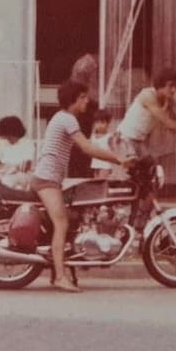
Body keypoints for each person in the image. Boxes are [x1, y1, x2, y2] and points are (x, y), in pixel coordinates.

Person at [32, 80, 135, 293]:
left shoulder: (64, 118)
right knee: (61, 223)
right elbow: (87, 148)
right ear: (74, 100)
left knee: (69, 218)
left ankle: (61, 269)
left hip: (51, 178)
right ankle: (59, 277)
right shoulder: (67, 118)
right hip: (46, 178)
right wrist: (118, 159)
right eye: (83, 97)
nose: (87, 101)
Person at [88, 109, 120, 178]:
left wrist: (116, 140)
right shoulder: (93, 136)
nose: (99, 125)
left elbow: (114, 148)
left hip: (105, 164)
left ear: (108, 124)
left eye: (102, 122)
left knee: (102, 182)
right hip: (95, 163)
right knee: (96, 183)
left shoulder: (109, 137)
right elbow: (89, 147)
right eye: (97, 122)